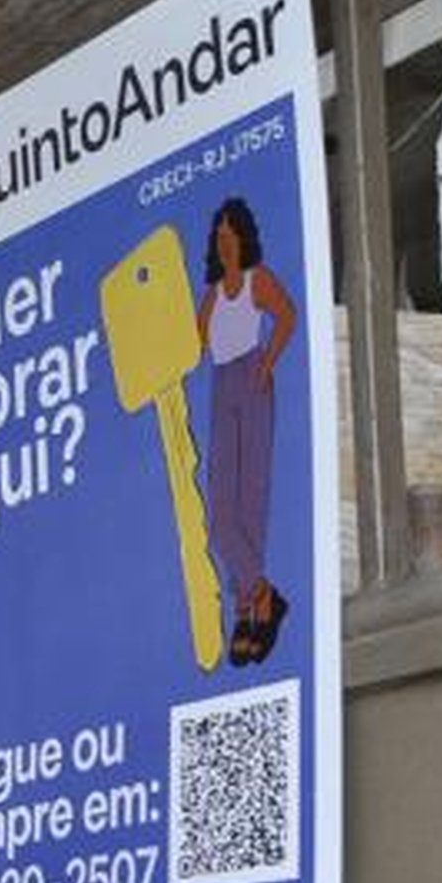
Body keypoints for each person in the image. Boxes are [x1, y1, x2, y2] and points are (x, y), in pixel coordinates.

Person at [195, 197, 298, 664]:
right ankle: (261, 593)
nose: (223, 243)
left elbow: (287, 315)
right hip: (221, 384)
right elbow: (193, 342)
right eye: (218, 236)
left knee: (251, 499)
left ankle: (245, 612)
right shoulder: (213, 294)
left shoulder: (257, 282)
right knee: (221, 510)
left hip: (251, 376)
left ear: (243, 238)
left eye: (229, 234)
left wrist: (269, 362)